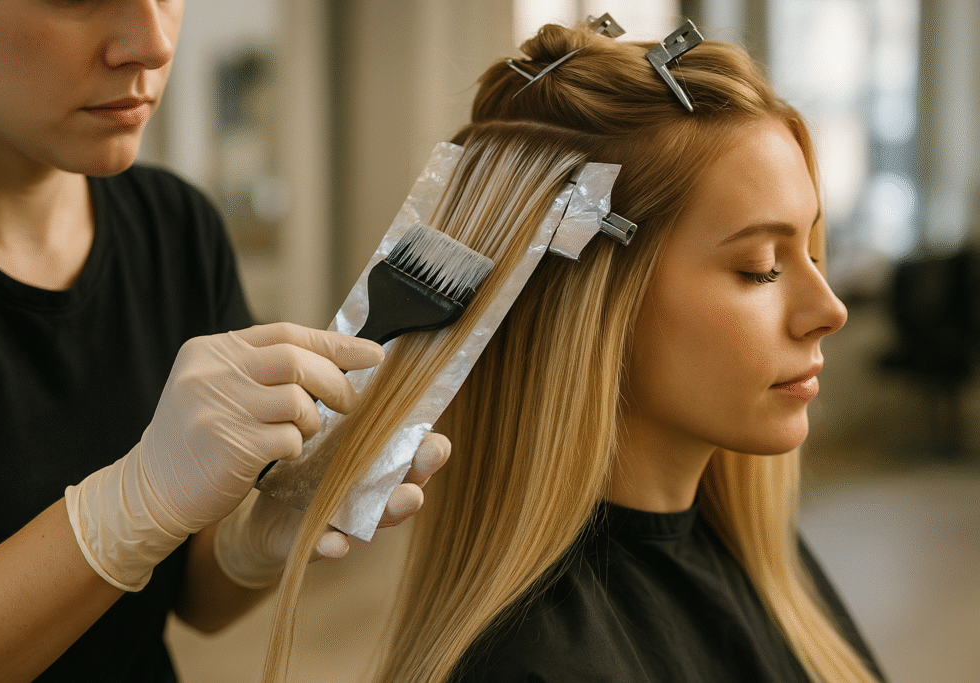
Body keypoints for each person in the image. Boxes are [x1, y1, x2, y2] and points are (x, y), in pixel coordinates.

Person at [258, 19, 888, 683]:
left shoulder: (764, 558)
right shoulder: (541, 664)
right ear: (596, 304)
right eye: (761, 266)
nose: (830, 309)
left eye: (814, 252)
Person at [0, 2, 448, 682]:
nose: (154, 45)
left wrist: (250, 547)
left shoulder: (177, 229)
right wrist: (127, 507)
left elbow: (193, 601)